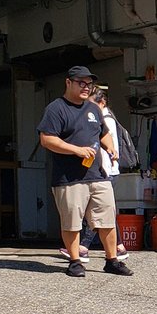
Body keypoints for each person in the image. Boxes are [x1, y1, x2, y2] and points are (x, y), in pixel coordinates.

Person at [37, 66, 133, 277]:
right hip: (68, 178)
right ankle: (75, 262)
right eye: (81, 82)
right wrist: (76, 150)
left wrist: (110, 147)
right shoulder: (56, 109)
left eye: (88, 84)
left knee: (107, 218)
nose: (85, 87)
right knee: (72, 222)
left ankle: (112, 260)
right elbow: (46, 139)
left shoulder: (93, 109)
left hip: (97, 174)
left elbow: (103, 133)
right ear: (68, 82)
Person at [72, 86, 129, 261]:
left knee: (97, 211)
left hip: (106, 171)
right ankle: (119, 247)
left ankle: (83, 247)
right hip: (107, 171)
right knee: (107, 211)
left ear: (102, 102)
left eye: (92, 104)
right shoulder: (103, 117)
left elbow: (107, 147)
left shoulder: (105, 119)